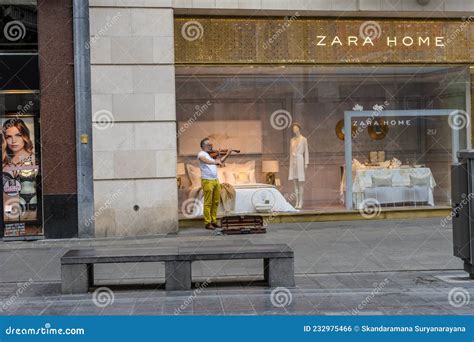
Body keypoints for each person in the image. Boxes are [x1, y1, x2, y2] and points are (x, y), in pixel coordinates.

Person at [198, 138, 232, 229]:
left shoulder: (211, 155)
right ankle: (207, 223)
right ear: (204, 146)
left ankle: (213, 221)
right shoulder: (201, 154)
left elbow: (220, 162)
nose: (211, 146)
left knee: (216, 202)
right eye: (209, 144)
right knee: (208, 202)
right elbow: (204, 160)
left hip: (215, 180)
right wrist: (215, 161)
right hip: (207, 180)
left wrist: (228, 154)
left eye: (211, 144)